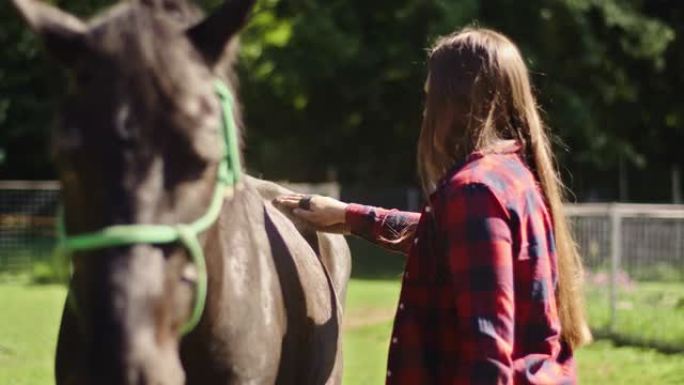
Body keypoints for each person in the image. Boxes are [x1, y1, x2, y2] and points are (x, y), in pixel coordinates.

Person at [276, 27, 591, 385]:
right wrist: (348, 217)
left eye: (430, 99)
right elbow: (445, 238)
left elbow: (488, 361)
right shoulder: (512, 176)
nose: (426, 113)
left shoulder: (475, 191)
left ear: (455, 105)